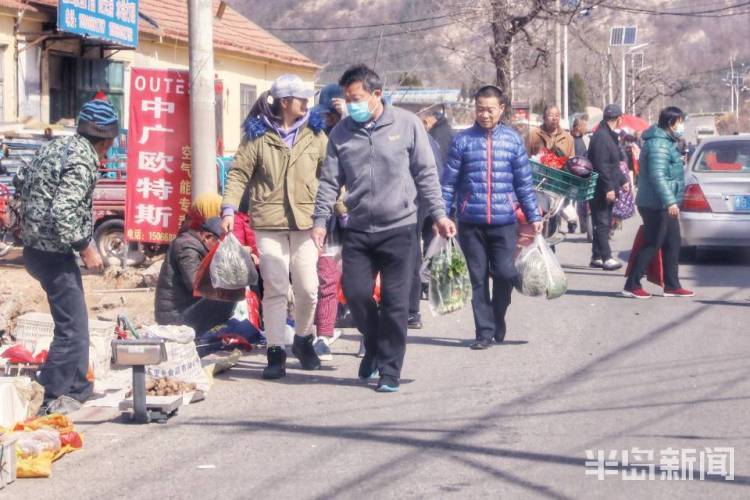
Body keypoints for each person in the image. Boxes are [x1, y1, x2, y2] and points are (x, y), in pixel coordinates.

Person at [312, 65, 455, 393]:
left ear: (377, 95)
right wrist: (320, 222)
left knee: (395, 303)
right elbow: (329, 183)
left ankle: (390, 369)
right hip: (359, 229)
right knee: (357, 294)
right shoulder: (341, 134)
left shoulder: (407, 125)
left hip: (400, 228)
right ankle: (374, 345)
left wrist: (439, 214)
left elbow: (426, 173)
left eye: (357, 98)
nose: (351, 105)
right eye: (348, 99)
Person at [221, 74, 327, 380]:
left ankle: (304, 339)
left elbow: (330, 175)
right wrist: (229, 207)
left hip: (306, 222)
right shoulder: (256, 136)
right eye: (301, 98)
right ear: (284, 102)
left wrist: (343, 209)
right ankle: (276, 351)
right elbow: (239, 173)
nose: (307, 103)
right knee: (276, 288)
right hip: (268, 224)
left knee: (308, 288)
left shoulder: (317, 134)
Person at [18, 99, 117, 409]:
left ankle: (77, 387)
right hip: (52, 252)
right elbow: (63, 211)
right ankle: (49, 393)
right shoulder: (83, 158)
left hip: (35, 247)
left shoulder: (56, 147)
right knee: (72, 328)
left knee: (76, 321)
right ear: (105, 139)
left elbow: (21, 179)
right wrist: (87, 247)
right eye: (111, 143)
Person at [441, 85, 542, 350]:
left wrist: (533, 215)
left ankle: (498, 317)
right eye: (480, 109)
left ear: (501, 109)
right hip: (470, 222)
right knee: (477, 277)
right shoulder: (462, 141)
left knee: (505, 274)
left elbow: (524, 183)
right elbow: (448, 183)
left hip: (504, 221)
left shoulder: (512, 140)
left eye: (489, 109)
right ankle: (483, 332)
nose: (484, 114)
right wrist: (442, 215)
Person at [623, 107, 694, 299]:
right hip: (656, 203)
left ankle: (672, 285)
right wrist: (670, 201)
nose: (682, 126)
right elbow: (657, 176)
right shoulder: (659, 145)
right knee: (653, 242)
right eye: (680, 122)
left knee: (673, 242)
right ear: (671, 123)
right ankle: (632, 284)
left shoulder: (667, 142)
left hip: (664, 202)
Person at [312, 83, 347, 361]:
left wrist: (348, 120)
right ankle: (323, 334)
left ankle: (370, 335)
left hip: (357, 219)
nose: (327, 121)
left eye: (332, 117)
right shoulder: (312, 137)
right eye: (325, 115)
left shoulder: (356, 135)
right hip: (325, 220)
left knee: (363, 283)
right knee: (326, 279)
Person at [155, 217, 240, 332]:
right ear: (207, 237)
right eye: (221, 245)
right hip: (175, 318)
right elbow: (197, 285)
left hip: (185, 309)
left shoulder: (196, 245)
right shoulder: (186, 247)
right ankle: (208, 332)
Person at [588, 104, 630, 270]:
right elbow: (601, 165)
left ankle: (596, 256)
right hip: (601, 187)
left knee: (603, 220)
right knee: (602, 222)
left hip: (609, 183)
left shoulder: (609, 135)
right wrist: (609, 188)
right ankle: (606, 257)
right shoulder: (602, 136)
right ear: (619, 118)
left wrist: (622, 180)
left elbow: (613, 164)